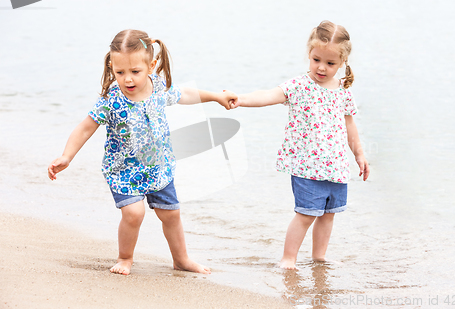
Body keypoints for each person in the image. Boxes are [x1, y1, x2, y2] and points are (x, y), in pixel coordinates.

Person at [48, 29, 237, 275]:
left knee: (171, 214)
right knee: (134, 213)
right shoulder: (111, 100)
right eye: (120, 72)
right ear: (111, 67)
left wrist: (216, 97)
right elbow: (85, 128)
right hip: (123, 170)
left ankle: (181, 260)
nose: (128, 79)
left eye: (135, 71)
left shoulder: (158, 86)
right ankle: (125, 258)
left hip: (158, 167)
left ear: (151, 65)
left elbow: (186, 94)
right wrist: (67, 156)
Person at [230, 21, 370, 269]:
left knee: (328, 215)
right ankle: (288, 258)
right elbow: (268, 95)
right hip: (307, 166)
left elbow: (350, 126)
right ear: (309, 54)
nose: (322, 68)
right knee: (305, 214)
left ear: (342, 63)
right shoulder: (299, 85)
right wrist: (241, 99)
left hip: (335, 166)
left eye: (330, 63)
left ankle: (319, 257)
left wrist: (359, 153)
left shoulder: (344, 90)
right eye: (316, 60)